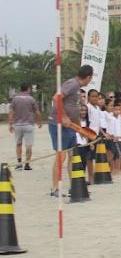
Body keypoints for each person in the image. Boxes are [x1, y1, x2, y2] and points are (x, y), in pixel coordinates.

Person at [48, 64, 94, 196]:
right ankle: (55, 188)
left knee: (73, 156)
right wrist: (63, 116)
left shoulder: (78, 89)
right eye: (91, 78)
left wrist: (81, 130)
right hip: (58, 124)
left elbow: (74, 110)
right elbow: (56, 98)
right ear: (88, 77)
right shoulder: (72, 84)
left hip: (70, 127)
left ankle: (74, 185)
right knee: (61, 156)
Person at [9, 83, 41, 170]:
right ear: (28, 89)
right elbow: (37, 112)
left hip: (18, 125)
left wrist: (10, 124)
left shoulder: (15, 99)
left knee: (18, 144)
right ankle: (27, 164)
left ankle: (19, 163)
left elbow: (11, 112)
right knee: (29, 146)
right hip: (29, 125)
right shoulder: (31, 99)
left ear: (20, 89)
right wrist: (39, 122)